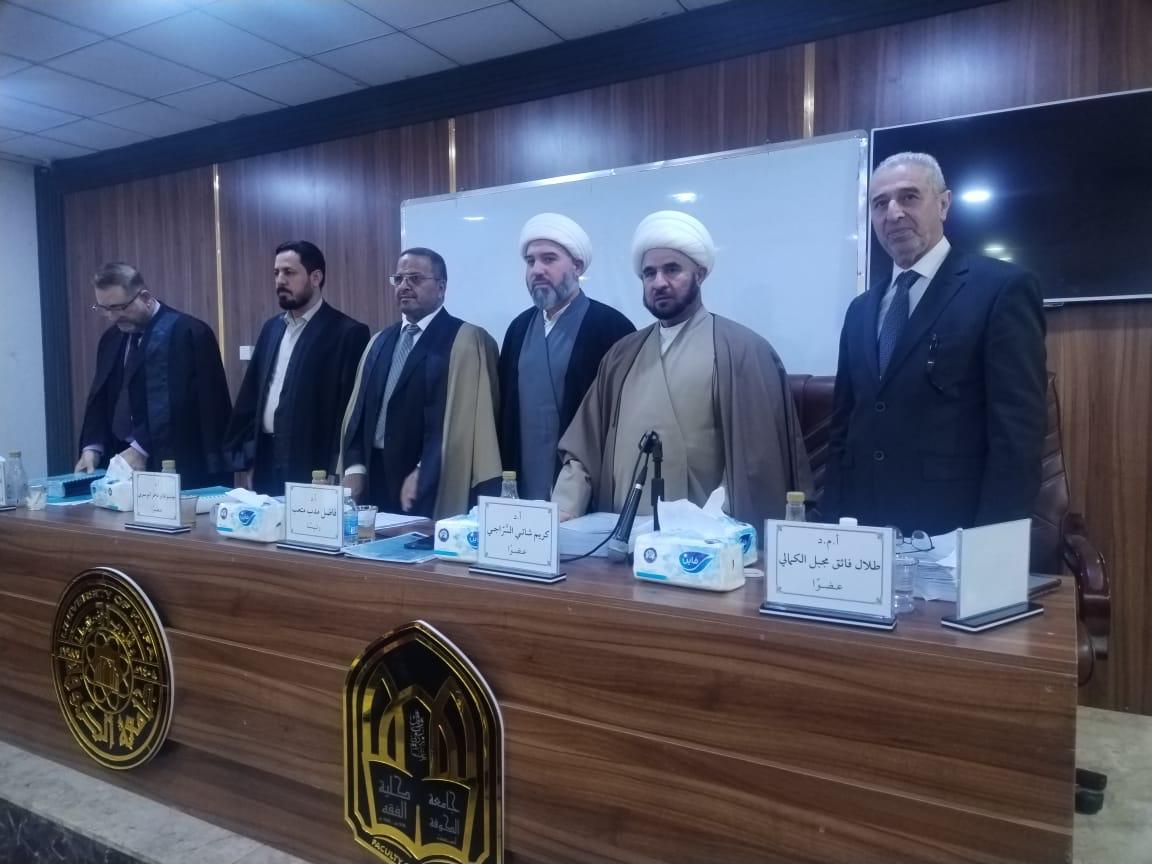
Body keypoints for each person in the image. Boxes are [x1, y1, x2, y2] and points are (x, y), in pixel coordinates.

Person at [822, 151, 1047, 535]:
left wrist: (992, 545)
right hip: (864, 532)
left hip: (951, 530)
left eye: (908, 197)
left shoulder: (1001, 290)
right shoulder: (860, 310)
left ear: (943, 204)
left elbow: (1017, 436)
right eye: (880, 204)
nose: (893, 214)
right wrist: (831, 528)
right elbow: (844, 427)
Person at [553, 211, 811, 526]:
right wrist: (564, 509)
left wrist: (715, 528)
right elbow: (584, 448)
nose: (659, 282)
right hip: (620, 534)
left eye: (672, 269)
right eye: (649, 273)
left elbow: (757, 464)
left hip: (704, 541)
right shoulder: (621, 355)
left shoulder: (742, 351)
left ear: (699, 274)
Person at [341, 247, 501, 518]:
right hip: (374, 477)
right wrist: (355, 467)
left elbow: (463, 424)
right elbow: (359, 414)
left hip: (432, 482)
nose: (404, 286)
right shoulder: (379, 342)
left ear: (441, 287)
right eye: (398, 279)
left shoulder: (466, 342)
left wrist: (424, 469)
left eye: (415, 278)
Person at [498, 213, 635, 500]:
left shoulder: (612, 327)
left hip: (588, 484)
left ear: (577, 266)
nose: (537, 269)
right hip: (522, 483)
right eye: (530, 261)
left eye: (549, 259)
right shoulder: (519, 329)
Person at [224, 241, 369, 494]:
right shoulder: (272, 328)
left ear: (316, 277)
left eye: (289, 272)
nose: (280, 280)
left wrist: (339, 468)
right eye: (276, 273)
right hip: (266, 457)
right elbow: (252, 397)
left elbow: (348, 411)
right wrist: (248, 457)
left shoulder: (347, 333)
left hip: (313, 463)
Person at [75, 262, 232, 488]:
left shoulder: (190, 334)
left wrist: (141, 447)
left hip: (178, 463)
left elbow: (194, 409)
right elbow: (101, 397)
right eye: (104, 309)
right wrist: (92, 447)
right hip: (120, 464)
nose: (112, 317)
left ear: (145, 297)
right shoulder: (111, 339)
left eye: (119, 308)